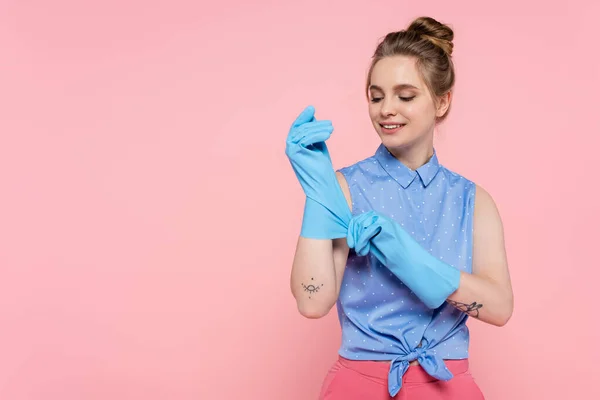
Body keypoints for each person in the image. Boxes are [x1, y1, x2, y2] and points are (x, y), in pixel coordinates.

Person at [285, 16, 514, 400]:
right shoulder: (344, 187)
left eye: (405, 96)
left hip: (447, 386)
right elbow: (312, 301)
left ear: (442, 102)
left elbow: (499, 308)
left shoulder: (472, 200)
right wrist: (318, 195)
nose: (386, 109)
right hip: (358, 386)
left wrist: (410, 259)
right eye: (376, 96)